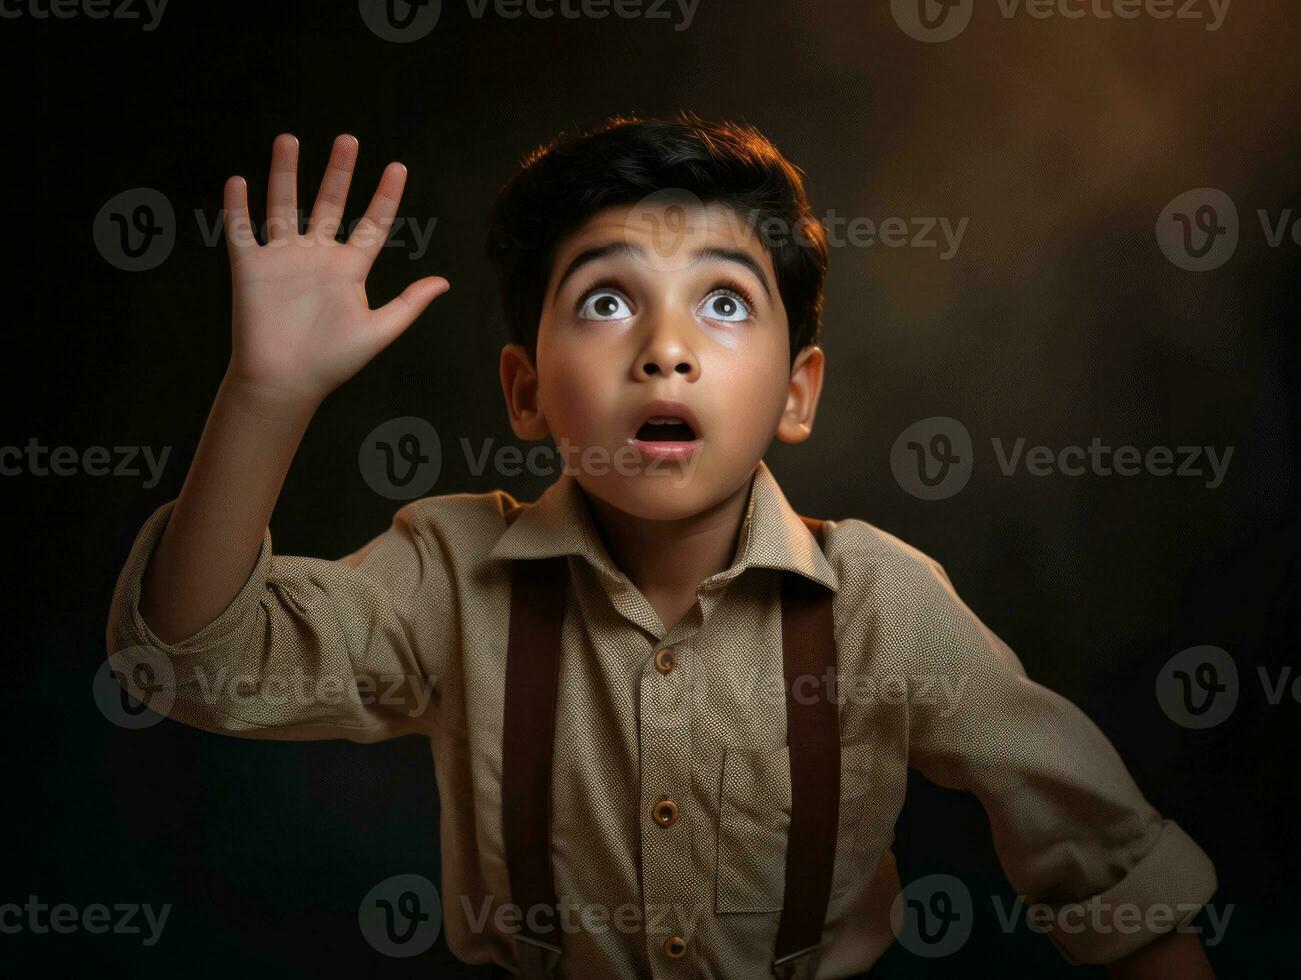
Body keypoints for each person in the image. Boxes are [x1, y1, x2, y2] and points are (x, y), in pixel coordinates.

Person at [106, 114, 1217, 978]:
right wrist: (265, 397)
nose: (666, 349)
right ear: (526, 390)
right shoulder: (450, 575)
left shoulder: (877, 602)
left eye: (723, 305)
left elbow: (1112, 865)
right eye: (604, 300)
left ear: (796, 391)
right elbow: (192, 659)